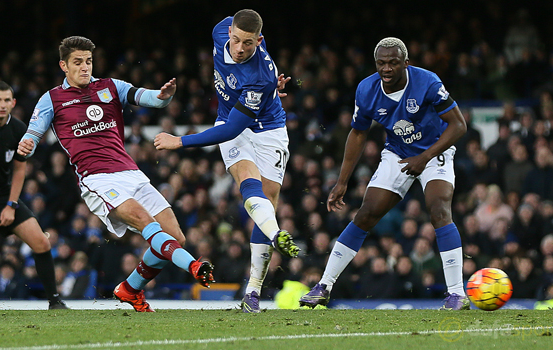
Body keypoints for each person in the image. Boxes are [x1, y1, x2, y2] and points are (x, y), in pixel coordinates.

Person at [17, 36, 214, 312]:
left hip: (131, 172)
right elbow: (31, 136)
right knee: (149, 226)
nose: (85, 67)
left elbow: (147, 97)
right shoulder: (52, 99)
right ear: (63, 65)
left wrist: (162, 96)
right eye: (78, 62)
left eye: (88, 61)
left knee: (175, 238)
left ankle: (130, 289)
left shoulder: (110, 87)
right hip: (98, 179)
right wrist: (26, 144)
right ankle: (193, 265)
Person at [299, 37, 469, 310]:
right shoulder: (366, 90)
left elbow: (458, 125)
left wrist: (424, 157)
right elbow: (358, 132)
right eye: (381, 63)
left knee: (438, 208)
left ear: (406, 63)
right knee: (366, 213)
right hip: (398, 153)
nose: (386, 68)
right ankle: (324, 285)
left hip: (435, 150)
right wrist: (341, 181)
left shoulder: (428, 82)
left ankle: (456, 294)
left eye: (393, 62)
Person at [153, 9, 299, 313]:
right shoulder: (220, 30)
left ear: (258, 41)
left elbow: (234, 128)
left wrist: (179, 141)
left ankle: (253, 290)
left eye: (248, 43)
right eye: (236, 40)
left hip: (268, 129)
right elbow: (230, 129)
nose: (240, 48)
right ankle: (275, 235)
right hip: (230, 118)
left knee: (267, 202)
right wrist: (272, 86)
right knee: (248, 182)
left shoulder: (259, 77)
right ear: (228, 31)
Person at [0, 81, 67, 309]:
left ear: (14, 103)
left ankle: (55, 302)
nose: (2, 105)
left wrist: (11, 204)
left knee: (41, 242)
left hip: (2, 194)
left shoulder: (19, 129)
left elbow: (20, 169)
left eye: (7, 100)